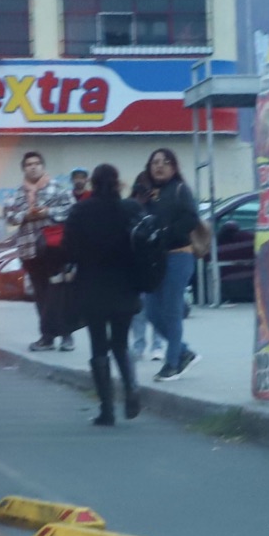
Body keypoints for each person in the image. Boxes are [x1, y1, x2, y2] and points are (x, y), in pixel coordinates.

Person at [63, 164, 144, 426]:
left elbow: (68, 249)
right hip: (125, 285)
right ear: (118, 182)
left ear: (92, 183)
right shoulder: (131, 209)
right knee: (120, 342)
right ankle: (131, 388)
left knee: (98, 345)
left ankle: (106, 409)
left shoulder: (80, 211)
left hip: (92, 287)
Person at [141, 147, 202, 381]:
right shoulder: (148, 194)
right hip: (154, 260)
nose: (159, 166)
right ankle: (183, 351)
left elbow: (191, 219)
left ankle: (172, 364)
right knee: (151, 312)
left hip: (178, 256)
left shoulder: (179, 189)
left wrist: (165, 234)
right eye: (155, 162)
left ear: (174, 167)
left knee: (171, 310)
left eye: (165, 162)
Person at [4, 150, 75, 352]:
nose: (33, 167)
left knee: (58, 294)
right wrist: (26, 215)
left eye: (36, 163)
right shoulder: (17, 194)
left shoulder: (57, 189)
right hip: (29, 251)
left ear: (43, 166)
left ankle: (66, 335)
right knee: (41, 295)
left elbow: (72, 210)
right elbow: (9, 216)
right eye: (29, 164)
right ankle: (47, 337)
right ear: (24, 169)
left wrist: (48, 212)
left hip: (54, 250)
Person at [128, 170, 166, 362]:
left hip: (155, 261)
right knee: (139, 309)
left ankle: (157, 346)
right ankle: (139, 345)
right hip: (135, 263)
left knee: (156, 306)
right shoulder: (130, 206)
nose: (145, 191)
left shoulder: (158, 205)